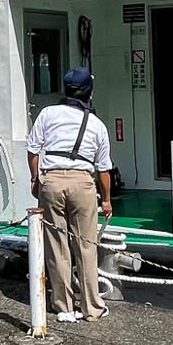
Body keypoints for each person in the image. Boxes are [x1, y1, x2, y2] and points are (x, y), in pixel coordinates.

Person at [25, 66, 115, 323]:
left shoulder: (47, 113)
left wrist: (36, 181)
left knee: (56, 246)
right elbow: (104, 169)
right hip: (83, 184)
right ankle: (92, 308)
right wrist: (106, 200)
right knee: (86, 247)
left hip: (51, 180)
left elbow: (33, 150)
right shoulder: (96, 124)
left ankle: (63, 306)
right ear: (89, 92)